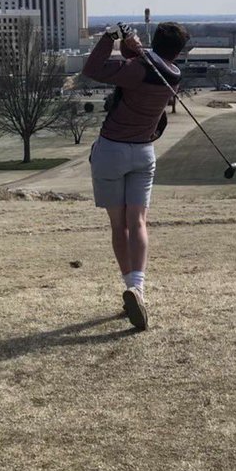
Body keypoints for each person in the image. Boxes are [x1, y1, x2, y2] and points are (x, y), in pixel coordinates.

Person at [82, 20, 190, 330]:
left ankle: (129, 284)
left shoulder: (139, 67)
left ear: (155, 41)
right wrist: (134, 49)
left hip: (111, 151)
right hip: (144, 152)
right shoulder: (173, 75)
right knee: (138, 221)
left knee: (119, 226)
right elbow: (144, 64)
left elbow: (93, 68)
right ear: (178, 51)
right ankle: (137, 288)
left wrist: (110, 37)